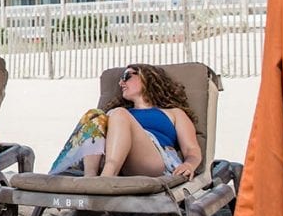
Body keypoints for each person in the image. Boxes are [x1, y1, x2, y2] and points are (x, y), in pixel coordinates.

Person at [49, 63, 202, 180]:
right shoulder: (118, 113)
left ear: (147, 79)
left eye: (127, 77)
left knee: (119, 114)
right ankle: (90, 178)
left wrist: (189, 164)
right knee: (94, 115)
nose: (121, 83)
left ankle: (106, 178)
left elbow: (191, 149)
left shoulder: (174, 113)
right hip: (111, 156)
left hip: (154, 160)